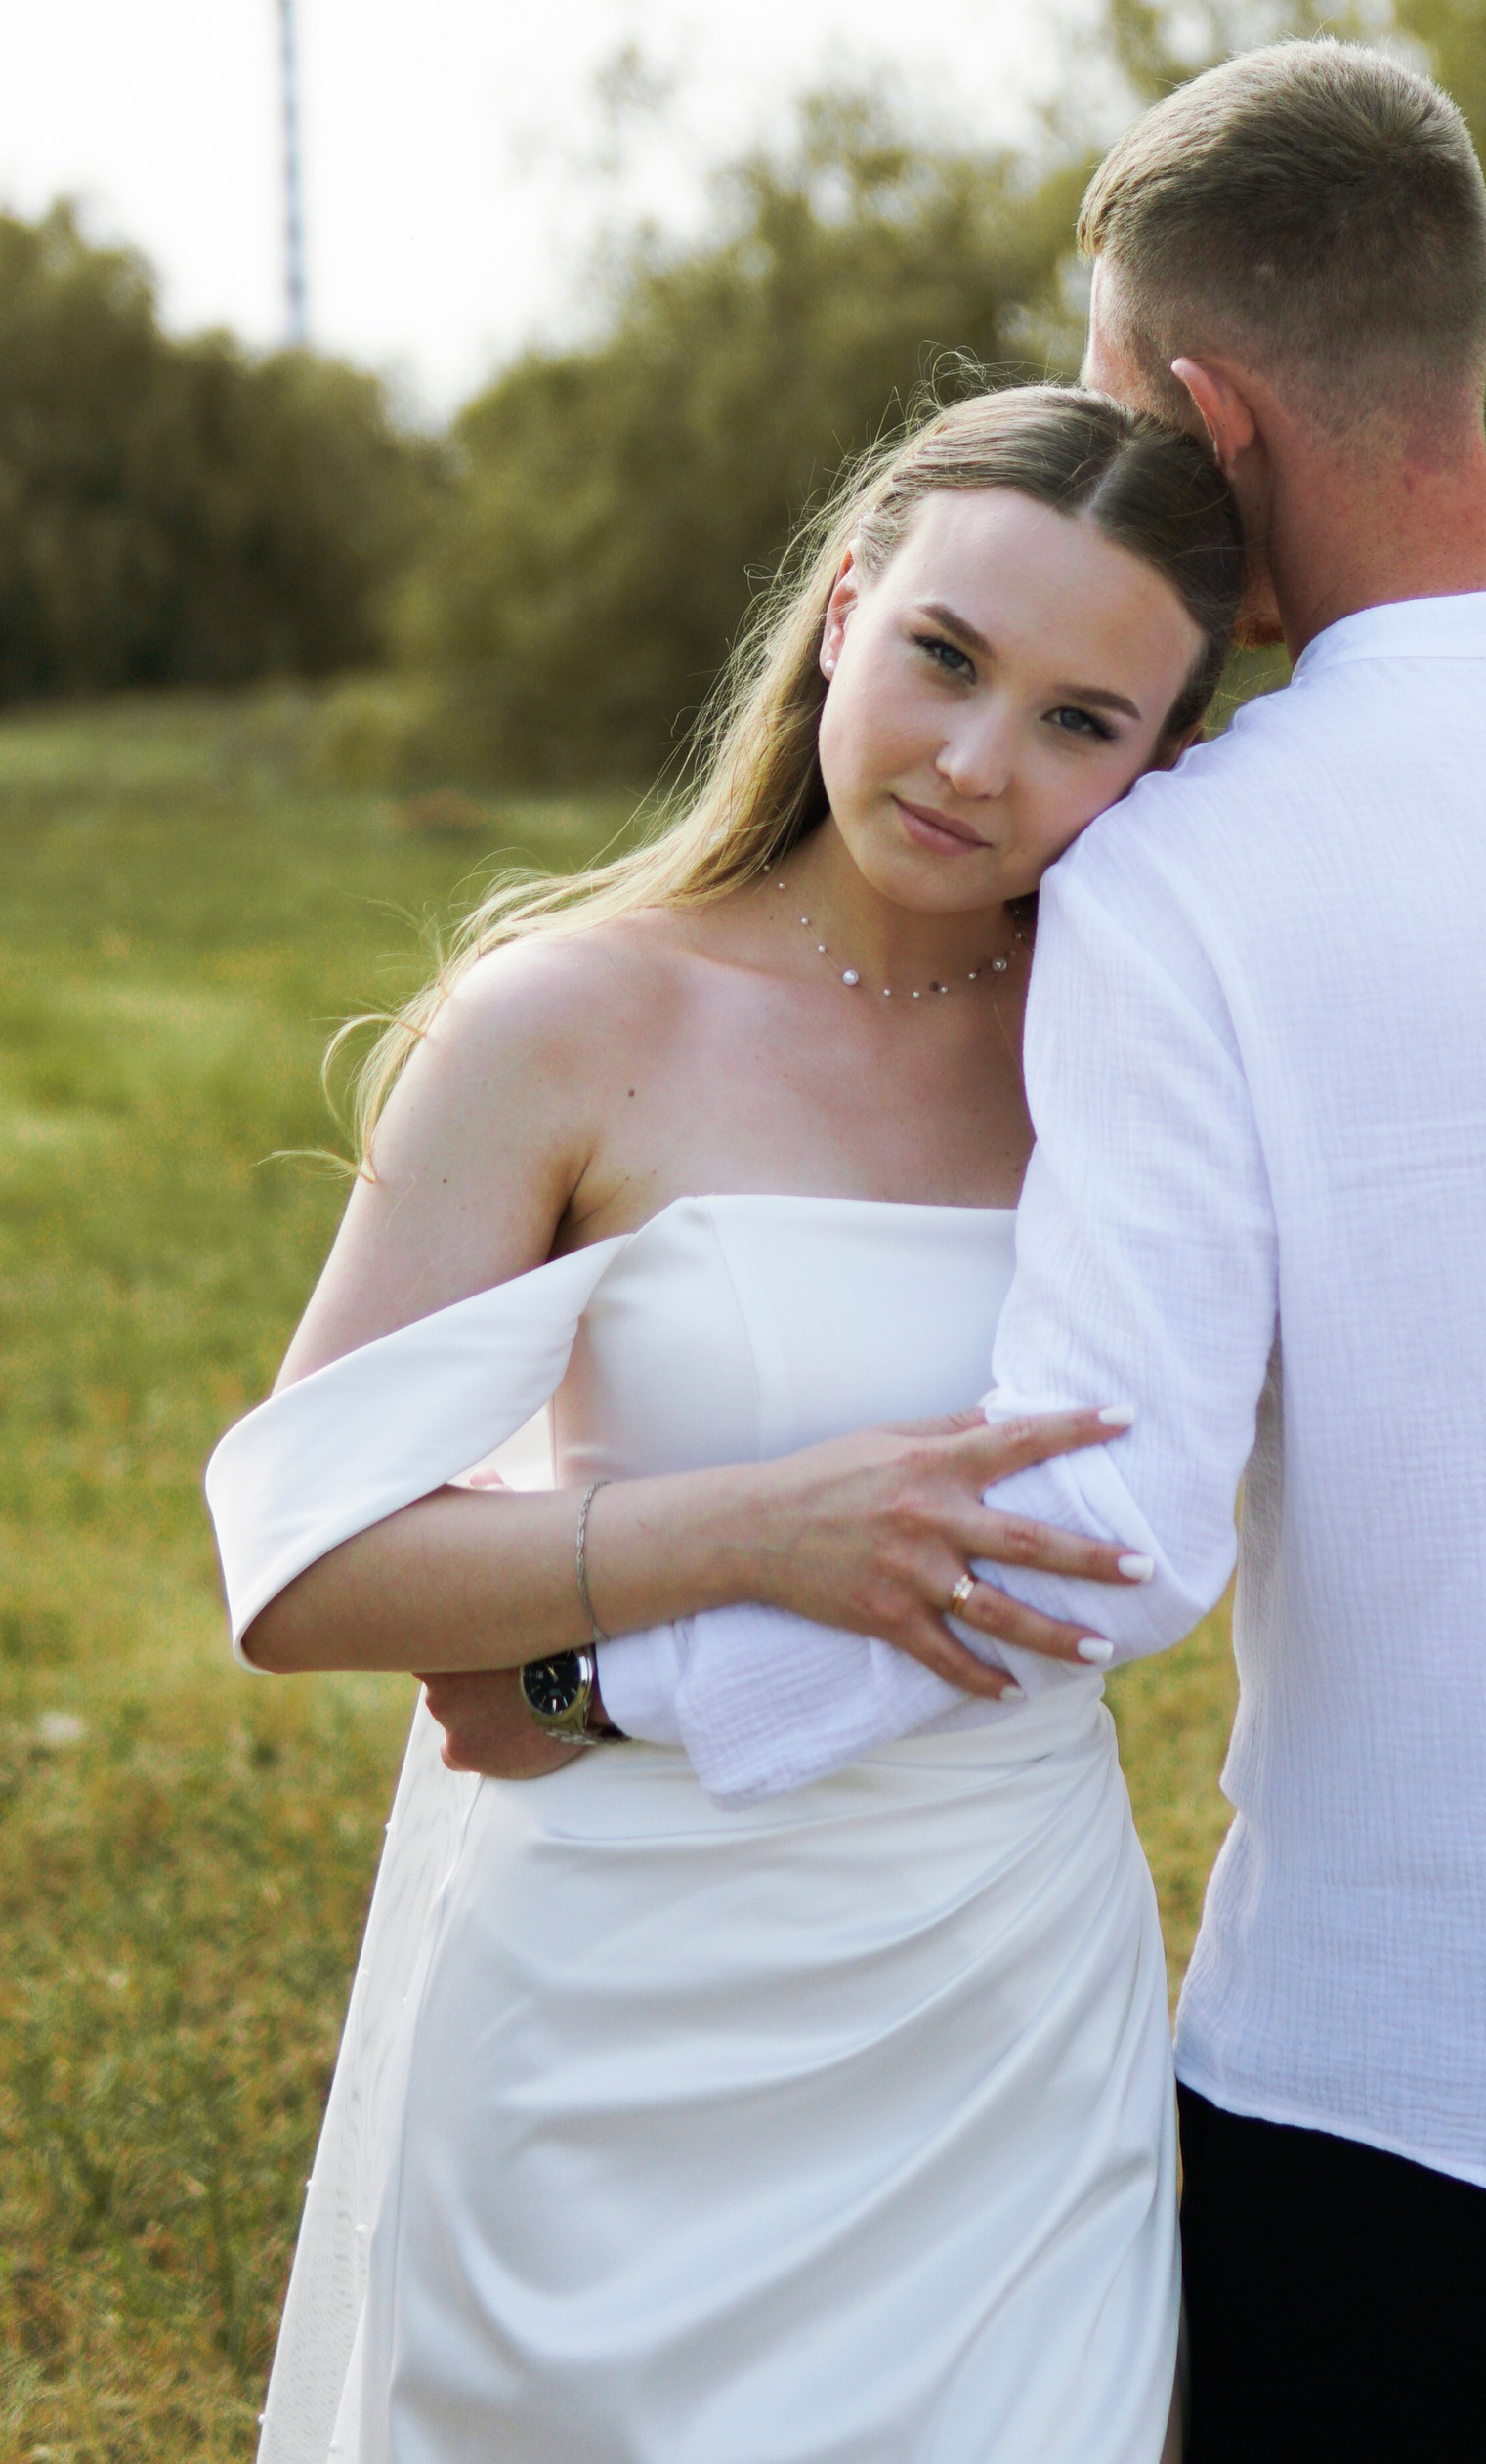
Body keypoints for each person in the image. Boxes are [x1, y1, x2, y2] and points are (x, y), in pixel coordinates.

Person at [502, 37, 1486, 2460]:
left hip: (1413, 2107)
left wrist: (605, 1681)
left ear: (1202, 417)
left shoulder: (1185, 872)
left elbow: (1099, 1533)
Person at [205, 387, 1243, 2464]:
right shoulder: (571, 1017)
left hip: (998, 2004)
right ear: (844, 611)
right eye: (944, 656)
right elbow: (299, 1568)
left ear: (1161, 759)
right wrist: (749, 1534)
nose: (975, 762)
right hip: (611, 2003)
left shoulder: (1143, 1054)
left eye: (1078, 721)